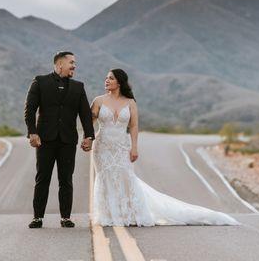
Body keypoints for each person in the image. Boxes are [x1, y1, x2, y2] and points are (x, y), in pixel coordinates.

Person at [91, 68, 241, 227]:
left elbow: (134, 126)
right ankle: (108, 214)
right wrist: (87, 138)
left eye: (111, 78)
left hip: (122, 146)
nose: (106, 80)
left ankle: (128, 213)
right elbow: (89, 123)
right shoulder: (99, 101)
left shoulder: (130, 103)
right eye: (106, 78)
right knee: (105, 177)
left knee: (125, 177)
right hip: (102, 146)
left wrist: (134, 147)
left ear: (119, 82)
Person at [24, 51, 95, 228]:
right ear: (59, 64)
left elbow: (85, 114)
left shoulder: (78, 87)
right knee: (42, 178)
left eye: (75, 63)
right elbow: (29, 110)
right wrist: (32, 132)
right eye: (71, 62)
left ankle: (65, 217)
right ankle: (37, 217)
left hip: (68, 140)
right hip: (45, 139)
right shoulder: (40, 82)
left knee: (66, 179)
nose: (74, 66)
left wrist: (89, 136)